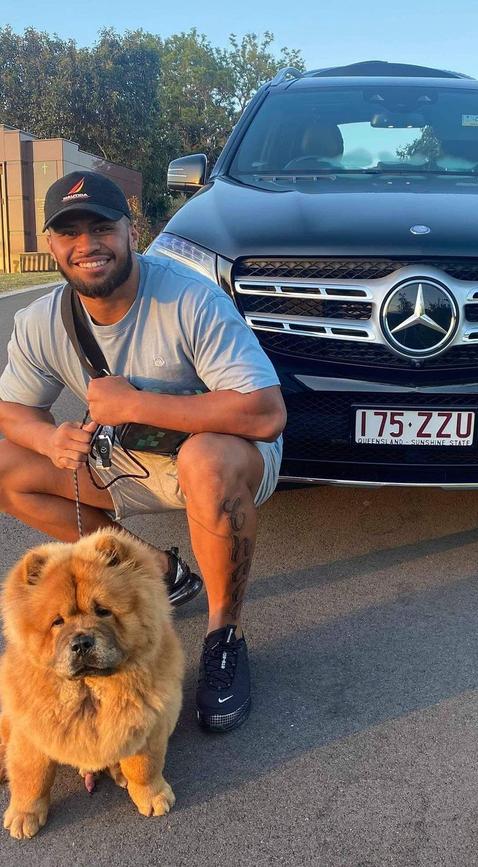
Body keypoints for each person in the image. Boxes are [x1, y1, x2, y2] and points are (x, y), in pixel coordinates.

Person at [0, 170, 286, 733]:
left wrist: (135, 404)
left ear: (132, 231)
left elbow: (265, 413)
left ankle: (223, 634)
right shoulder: (41, 321)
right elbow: (11, 411)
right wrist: (48, 438)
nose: (88, 246)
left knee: (207, 461)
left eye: (102, 227)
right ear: (51, 246)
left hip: (222, 459)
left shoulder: (189, 298)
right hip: (122, 463)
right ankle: (157, 569)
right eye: (70, 233)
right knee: (4, 467)